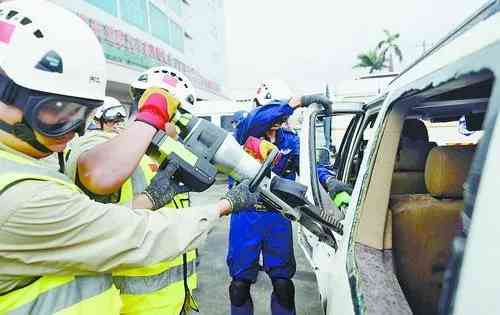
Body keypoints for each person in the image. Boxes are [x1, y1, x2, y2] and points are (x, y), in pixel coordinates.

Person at [0, 1, 258, 314]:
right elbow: (131, 230)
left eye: (81, 113)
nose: (72, 129)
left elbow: (91, 222)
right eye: (57, 111)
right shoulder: (25, 193)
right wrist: (225, 205)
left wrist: (150, 197)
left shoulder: (22, 163)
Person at [64, 70, 200, 315]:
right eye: (178, 118)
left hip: (175, 301)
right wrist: (150, 198)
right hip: (131, 306)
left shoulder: (163, 153)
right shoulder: (100, 142)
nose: (181, 129)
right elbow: (99, 173)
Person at [227, 79, 347, 315]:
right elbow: (260, 118)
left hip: (278, 216)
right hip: (245, 216)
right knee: (239, 286)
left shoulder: (289, 141)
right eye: (276, 110)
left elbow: (311, 164)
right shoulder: (245, 132)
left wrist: (330, 181)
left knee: (283, 285)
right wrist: (297, 102)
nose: (280, 119)